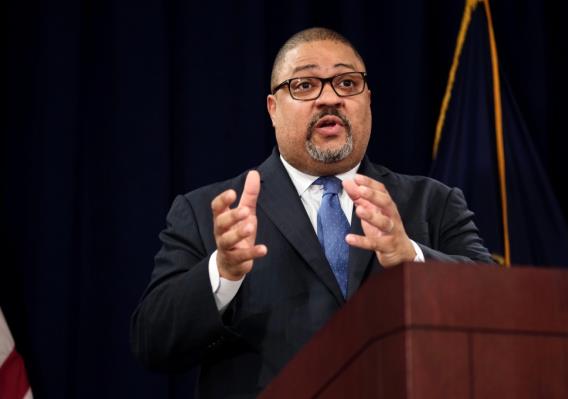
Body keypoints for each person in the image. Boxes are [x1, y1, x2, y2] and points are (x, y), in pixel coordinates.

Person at [131, 27, 492, 398]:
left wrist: (411, 258)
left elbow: (496, 309)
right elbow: (152, 342)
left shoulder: (432, 202)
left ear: (368, 100)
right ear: (273, 108)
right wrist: (222, 272)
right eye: (304, 85)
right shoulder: (210, 212)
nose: (329, 99)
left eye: (347, 83)